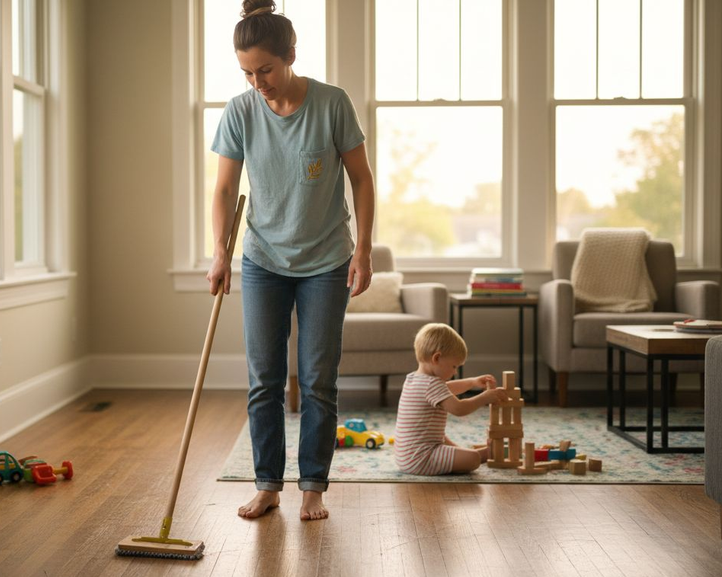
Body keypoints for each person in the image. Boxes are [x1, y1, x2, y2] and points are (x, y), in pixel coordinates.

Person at [206, 0, 374, 521]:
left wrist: (364, 250)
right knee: (265, 379)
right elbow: (225, 188)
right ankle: (268, 485)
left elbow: (362, 180)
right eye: (247, 73)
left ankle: (314, 489)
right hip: (261, 259)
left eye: (266, 70)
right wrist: (219, 252)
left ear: (291, 56)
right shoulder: (240, 110)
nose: (258, 82)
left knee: (318, 377)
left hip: (326, 260)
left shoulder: (331, 103)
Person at [394, 324, 507, 476]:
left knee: (445, 440)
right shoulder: (432, 385)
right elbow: (459, 409)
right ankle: (484, 455)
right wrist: (484, 398)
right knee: (473, 459)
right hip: (422, 458)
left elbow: (447, 389)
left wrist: (472, 382)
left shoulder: (414, 378)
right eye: (454, 366)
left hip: (406, 457)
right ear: (437, 358)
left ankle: (473, 453)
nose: (455, 372)